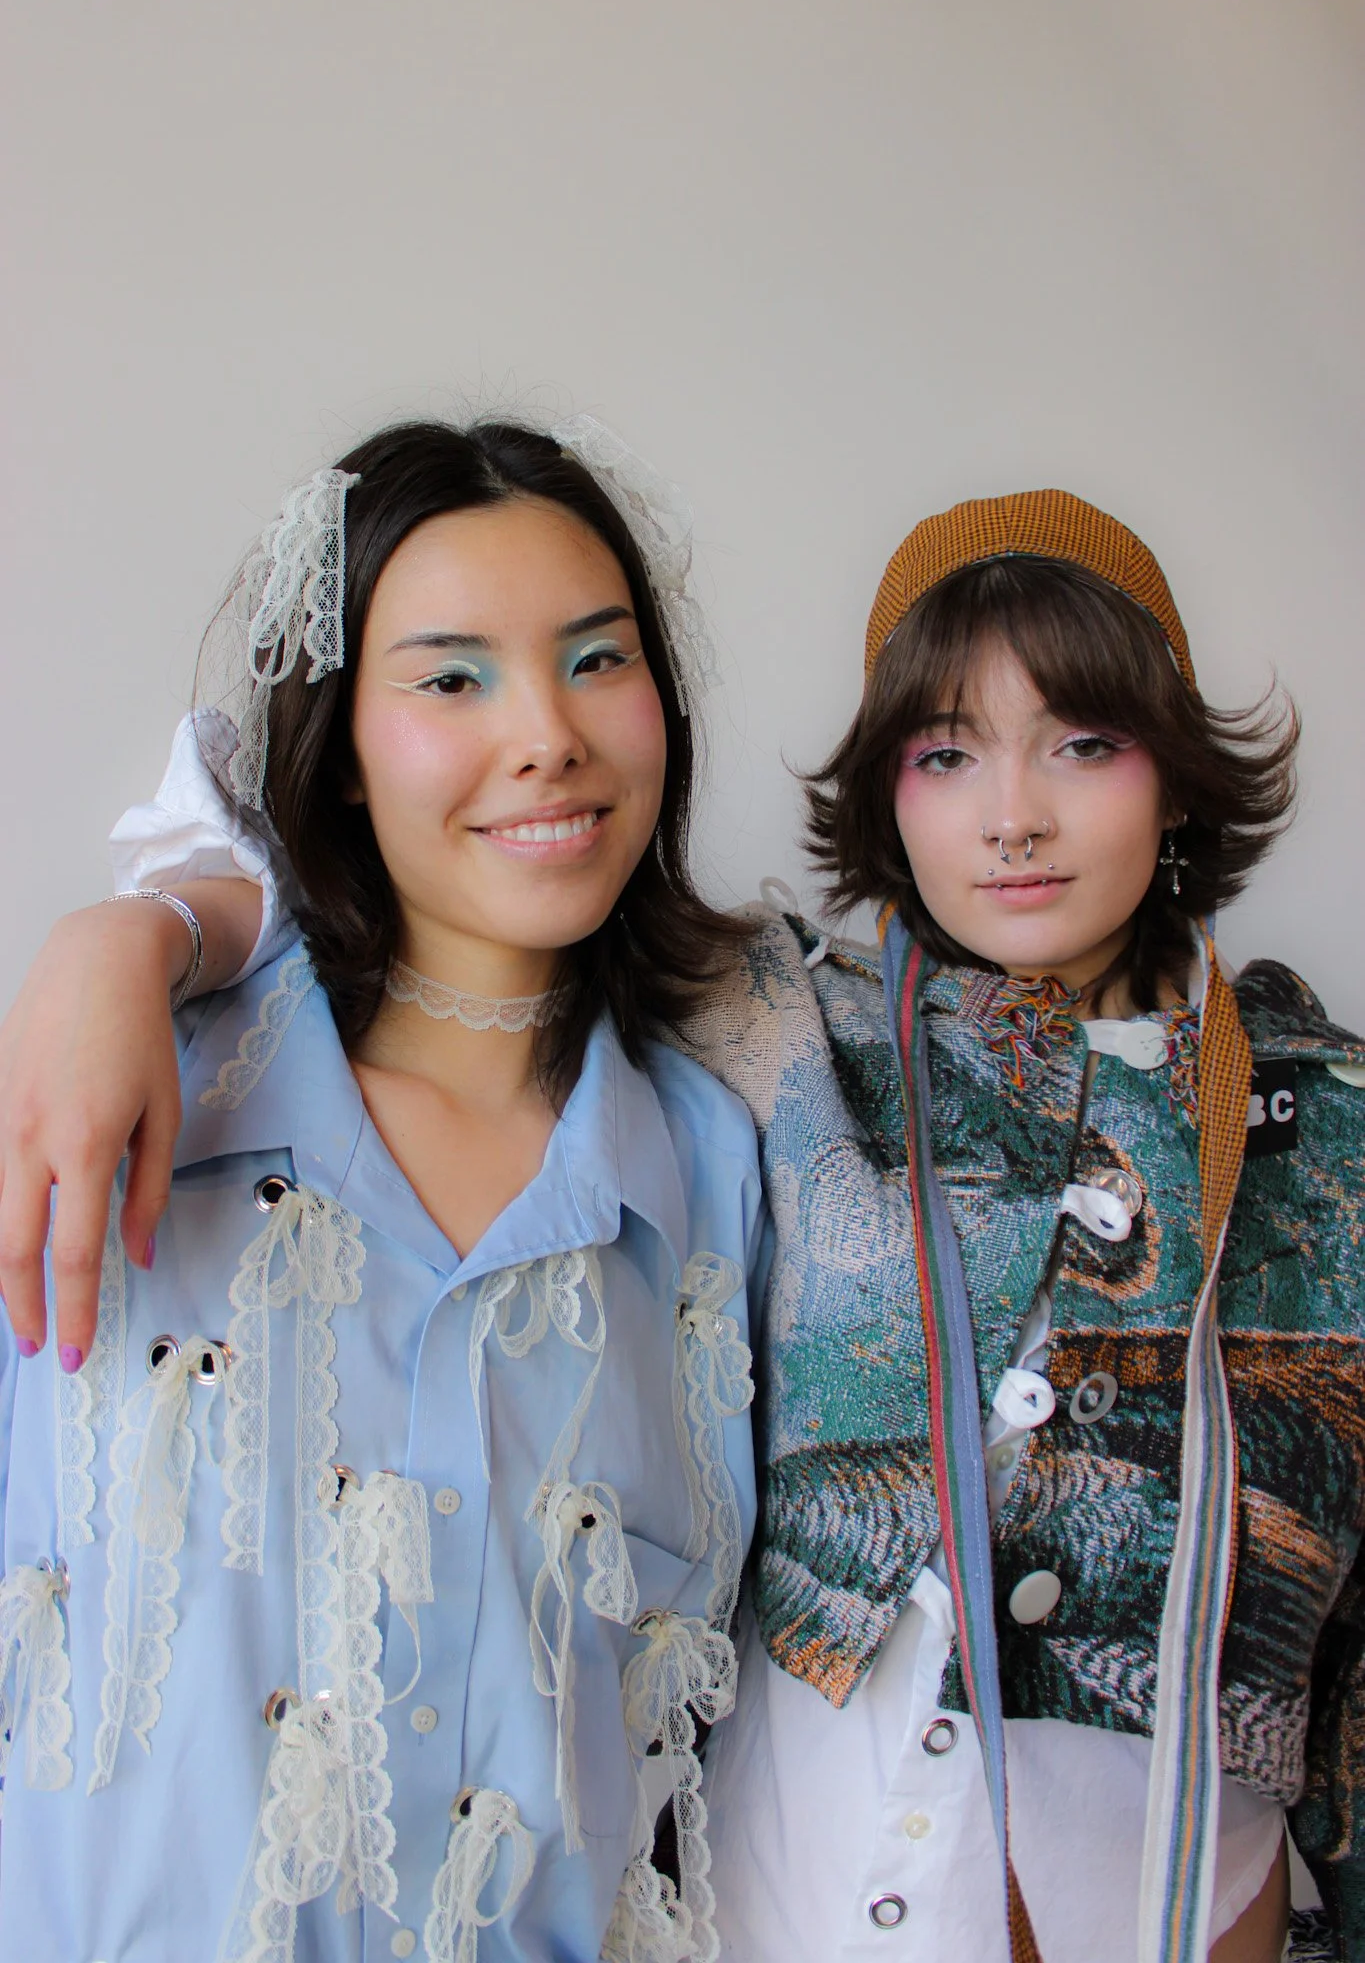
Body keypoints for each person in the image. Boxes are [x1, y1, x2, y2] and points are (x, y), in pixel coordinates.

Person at [3, 483, 1361, 1962]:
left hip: (1174, 1892)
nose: (1014, 814)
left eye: (1086, 744)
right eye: (946, 753)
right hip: (798, 1890)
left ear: (1177, 770)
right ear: (888, 792)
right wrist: (132, 932)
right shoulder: (787, 1030)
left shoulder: (1330, 1124)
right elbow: (420, 825)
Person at [0, 418, 764, 1963]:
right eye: (451, 676)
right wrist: (124, 936)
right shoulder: (127, 1093)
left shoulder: (710, 1166)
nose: (546, 733)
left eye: (598, 660)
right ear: (339, 736)